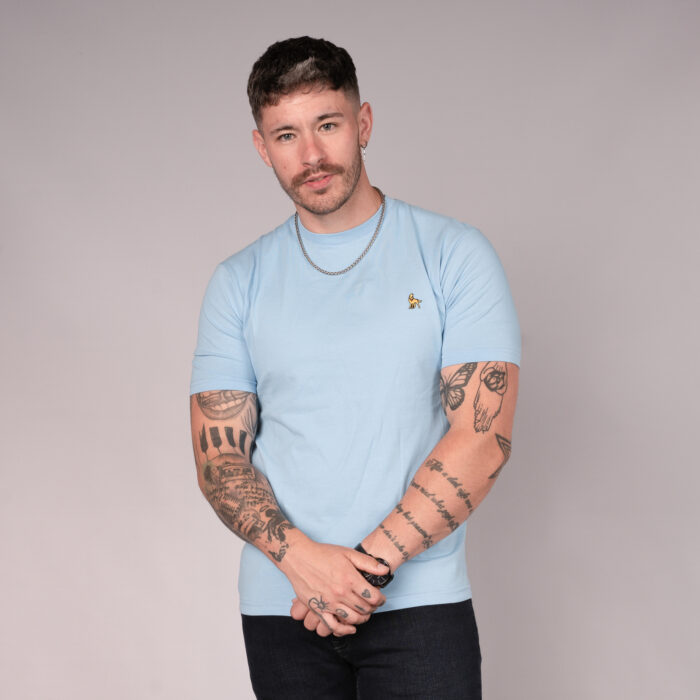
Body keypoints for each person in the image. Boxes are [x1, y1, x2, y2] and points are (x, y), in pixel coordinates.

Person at [189, 36, 521, 699]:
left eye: (328, 125)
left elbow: (483, 437)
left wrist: (359, 574)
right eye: (286, 135)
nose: (311, 155)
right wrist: (305, 565)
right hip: (284, 604)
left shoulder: (453, 253)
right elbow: (218, 457)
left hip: (419, 604)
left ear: (363, 123)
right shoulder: (238, 281)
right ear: (262, 147)